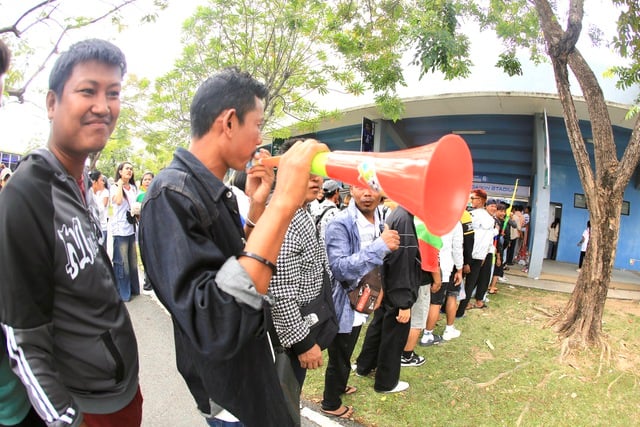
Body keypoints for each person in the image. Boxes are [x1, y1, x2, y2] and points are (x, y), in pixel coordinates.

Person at [138, 67, 328, 426]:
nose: (260, 140)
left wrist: (257, 210)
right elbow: (215, 317)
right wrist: (284, 200)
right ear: (228, 122)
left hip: (250, 369)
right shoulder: (170, 194)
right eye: (257, 125)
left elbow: (231, 268)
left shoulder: (210, 189)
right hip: (229, 394)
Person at [0, 38, 142, 427]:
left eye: (113, 93)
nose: (103, 105)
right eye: (87, 91)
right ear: (51, 104)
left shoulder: (78, 185)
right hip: (85, 406)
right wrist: (68, 420)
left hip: (121, 391)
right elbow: (22, 340)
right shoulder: (26, 194)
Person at [321, 185, 399, 418]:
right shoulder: (340, 223)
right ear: (351, 191)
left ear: (382, 192)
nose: (367, 193)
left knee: (348, 346)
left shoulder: (381, 219)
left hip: (364, 297)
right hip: (343, 301)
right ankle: (330, 402)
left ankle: (339, 385)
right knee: (340, 354)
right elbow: (340, 268)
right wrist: (380, 246)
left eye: (373, 187)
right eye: (360, 187)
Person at [267, 139, 337, 389]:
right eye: (307, 170)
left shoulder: (301, 210)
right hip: (289, 340)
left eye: (318, 171)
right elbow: (279, 292)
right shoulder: (285, 217)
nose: (317, 179)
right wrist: (303, 343)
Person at [354, 205, 420, 393]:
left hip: (387, 285)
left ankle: (364, 366)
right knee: (394, 336)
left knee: (378, 327)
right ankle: (386, 382)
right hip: (396, 290)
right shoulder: (404, 219)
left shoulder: (397, 214)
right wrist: (404, 303)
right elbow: (402, 264)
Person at [456, 189, 496, 317]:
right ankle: (460, 311)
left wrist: (466, 258)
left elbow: (467, 238)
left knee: (457, 282)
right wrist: (483, 255)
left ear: (481, 200)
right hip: (479, 256)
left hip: (468, 255)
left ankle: (449, 307)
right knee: (469, 284)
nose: (471, 201)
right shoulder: (490, 220)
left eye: (473, 198)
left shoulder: (471, 216)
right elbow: (489, 241)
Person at [111, 161, 140, 302]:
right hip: (120, 230)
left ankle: (133, 290)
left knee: (132, 262)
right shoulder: (114, 187)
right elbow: (117, 201)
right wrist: (120, 185)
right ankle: (123, 293)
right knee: (122, 263)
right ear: (120, 171)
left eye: (131, 169)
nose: (130, 171)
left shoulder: (133, 188)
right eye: (127, 168)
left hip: (131, 229)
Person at [89, 170, 110, 247]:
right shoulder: (89, 196)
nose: (103, 183)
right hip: (95, 229)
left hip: (102, 227)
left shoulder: (96, 195)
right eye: (101, 180)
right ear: (94, 182)